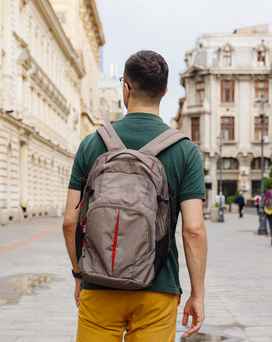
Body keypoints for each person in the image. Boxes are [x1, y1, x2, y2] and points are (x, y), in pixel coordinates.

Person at [63, 50, 207, 341]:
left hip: (99, 285)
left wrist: (80, 274)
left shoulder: (92, 144)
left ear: (125, 88)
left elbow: (69, 221)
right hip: (158, 286)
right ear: (165, 90)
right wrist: (197, 294)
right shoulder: (185, 150)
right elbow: (193, 230)